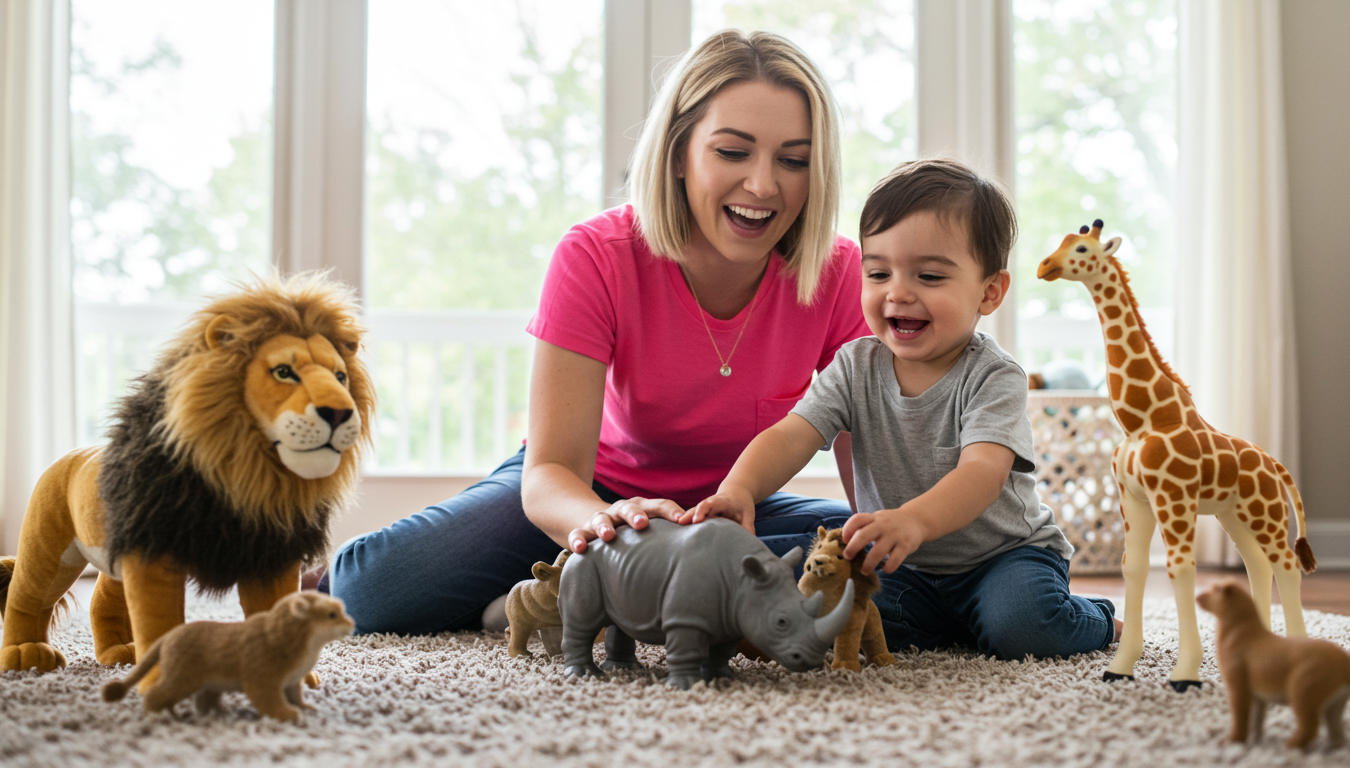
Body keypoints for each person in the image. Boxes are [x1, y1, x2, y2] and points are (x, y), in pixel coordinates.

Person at [323, 30, 869, 635]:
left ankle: (594, 598)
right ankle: (590, 584)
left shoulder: (840, 272)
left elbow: (870, 479)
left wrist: (878, 542)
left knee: (881, 572)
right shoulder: (597, 255)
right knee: (373, 589)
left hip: (735, 510)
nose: (764, 186)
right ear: (679, 153)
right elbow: (551, 472)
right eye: (733, 152)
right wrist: (609, 523)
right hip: (596, 495)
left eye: (793, 160)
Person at [684, 158, 1119, 660]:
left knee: (1023, 628)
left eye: (930, 276)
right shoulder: (855, 365)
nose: (898, 292)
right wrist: (739, 489)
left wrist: (913, 520)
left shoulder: (995, 376)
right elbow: (792, 434)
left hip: (1003, 558)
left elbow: (983, 472)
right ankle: (954, 624)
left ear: (989, 291)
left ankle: (1098, 618)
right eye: (878, 273)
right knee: (836, 607)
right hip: (903, 565)